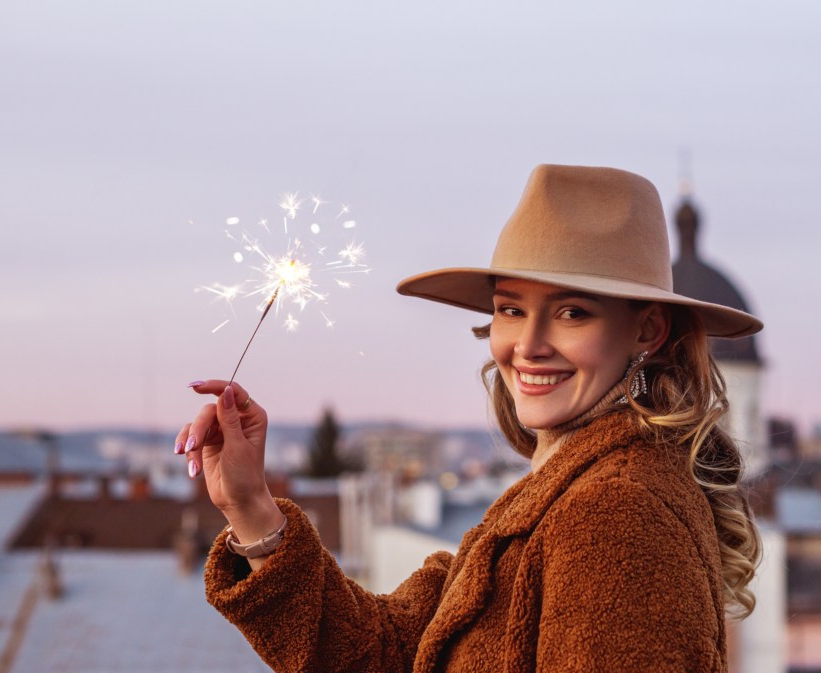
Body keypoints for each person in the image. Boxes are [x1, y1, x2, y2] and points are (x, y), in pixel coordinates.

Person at [176, 164, 763, 672]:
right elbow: (383, 656)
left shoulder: (615, 514)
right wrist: (250, 506)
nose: (528, 345)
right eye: (510, 309)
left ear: (647, 330)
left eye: (572, 313)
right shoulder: (560, 497)